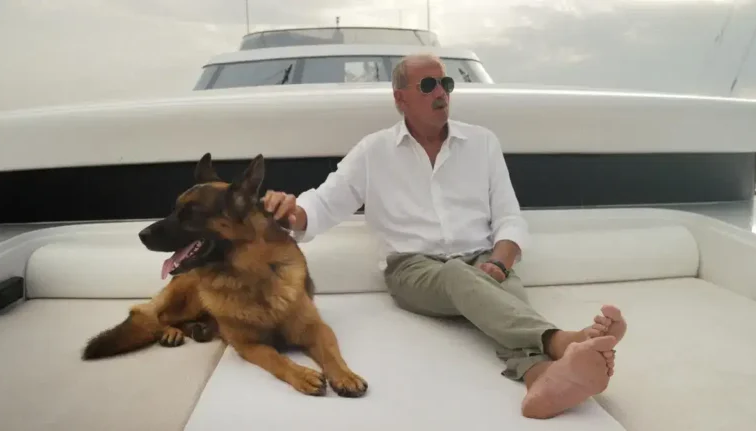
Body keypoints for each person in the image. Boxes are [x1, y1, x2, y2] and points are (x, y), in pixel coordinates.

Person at [262, 53, 627, 419]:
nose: (441, 93)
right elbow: (323, 203)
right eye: (428, 85)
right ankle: (561, 340)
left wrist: (500, 264)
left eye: (446, 84)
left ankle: (542, 379)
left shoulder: (482, 142)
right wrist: (291, 212)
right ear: (400, 98)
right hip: (413, 269)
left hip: (485, 260)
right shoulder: (374, 151)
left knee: (503, 298)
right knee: (460, 277)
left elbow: (509, 218)